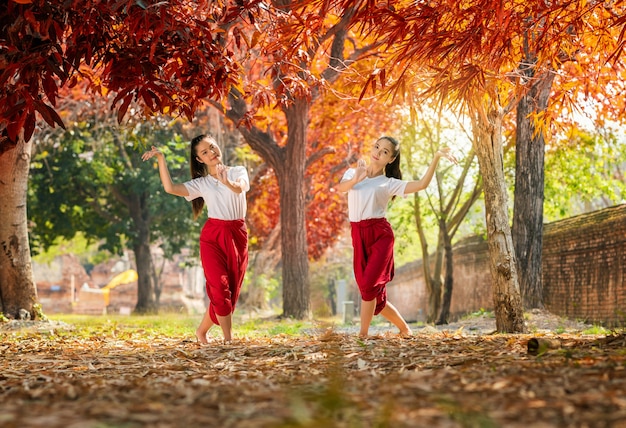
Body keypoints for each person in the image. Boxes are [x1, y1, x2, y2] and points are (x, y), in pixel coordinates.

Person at [335, 136, 457, 338]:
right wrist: (357, 178)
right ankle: (405, 329)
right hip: (358, 235)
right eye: (376, 147)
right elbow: (341, 189)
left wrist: (436, 157)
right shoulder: (352, 172)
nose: (377, 152)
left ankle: (362, 335)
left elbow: (422, 185)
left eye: (384, 151)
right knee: (372, 294)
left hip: (380, 236)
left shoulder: (388, 183)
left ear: (390, 159)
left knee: (367, 286)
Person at [141, 135, 249, 344]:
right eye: (204, 152)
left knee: (231, 293)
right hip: (213, 236)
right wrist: (161, 159)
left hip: (237, 234)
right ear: (199, 159)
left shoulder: (238, 171)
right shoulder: (202, 184)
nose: (211, 153)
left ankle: (201, 332)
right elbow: (170, 188)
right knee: (220, 288)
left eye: (212, 147)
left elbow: (239, 188)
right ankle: (228, 340)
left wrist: (225, 180)